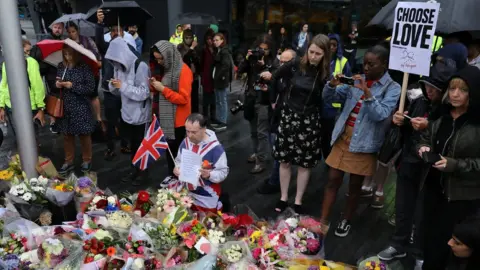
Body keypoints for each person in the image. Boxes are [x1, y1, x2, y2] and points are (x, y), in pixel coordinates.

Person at [377, 59, 458, 261]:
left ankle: (420, 252)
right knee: (403, 206)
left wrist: (428, 126)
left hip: (432, 169)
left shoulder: (451, 109)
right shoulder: (417, 98)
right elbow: (404, 125)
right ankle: (398, 243)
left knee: (424, 212)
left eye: (435, 88)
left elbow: (451, 135)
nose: (430, 91)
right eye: (428, 86)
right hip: (409, 160)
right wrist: (398, 120)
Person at [320, 45, 401, 237]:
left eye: (371, 64)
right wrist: (332, 85)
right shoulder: (357, 80)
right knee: (332, 180)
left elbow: (380, 115)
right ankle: (322, 220)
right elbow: (329, 99)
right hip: (343, 136)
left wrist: (367, 93)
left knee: (355, 186)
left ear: (384, 64)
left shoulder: (393, 88)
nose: (366, 68)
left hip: (365, 143)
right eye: (364, 63)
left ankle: (346, 219)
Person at [417, 66, 480, 270]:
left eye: (462, 90)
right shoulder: (442, 115)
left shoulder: (477, 124)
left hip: (461, 199)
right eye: (452, 89)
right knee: (430, 241)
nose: (455, 94)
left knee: (451, 248)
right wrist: (423, 147)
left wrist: (453, 164)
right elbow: (426, 137)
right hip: (434, 190)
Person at [260, 34, 331, 214]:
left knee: (304, 164)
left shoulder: (325, 74)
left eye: (318, 53)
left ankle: (298, 201)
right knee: (284, 160)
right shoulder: (295, 64)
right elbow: (275, 77)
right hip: (289, 116)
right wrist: (275, 100)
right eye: (311, 51)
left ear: (325, 55)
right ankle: (284, 197)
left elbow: (327, 99)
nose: (313, 56)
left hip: (309, 120)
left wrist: (331, 87)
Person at [105, 38, 151, 185]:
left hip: (140, 115)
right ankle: (134, 169)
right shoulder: (118, 67)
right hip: (126, 113)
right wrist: (113, 86)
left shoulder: (140, 66)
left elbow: (144, 93)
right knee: (132, 145)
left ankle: (142, 172)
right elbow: (119, 92)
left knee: (141, 145)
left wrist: (123, 85)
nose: (114, 63)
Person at [95, 8, 140, 160]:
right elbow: (99, 41)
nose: (115, 33)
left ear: (123, 33)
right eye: (113, 30)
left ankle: (125, 144)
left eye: (118, 30)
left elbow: (137, 62)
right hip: (109, 91)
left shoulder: (130, 47)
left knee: (125, 119)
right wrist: (99, 24)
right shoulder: (107, 47)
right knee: (111, 120)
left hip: (125, 90)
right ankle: (110, 147)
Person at [150, 41, 193, 177]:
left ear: (168, 55)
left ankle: (180, 186)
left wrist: (162, 89)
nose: (159, 62)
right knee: (171, 156)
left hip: (179, 122)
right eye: (156, 59)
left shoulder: (184, 70)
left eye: (160, 58)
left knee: (178, 157)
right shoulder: (168, 68)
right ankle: (174, 183)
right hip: (169, 120)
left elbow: (183, 99)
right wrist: (154, 85)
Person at [257, 49, 295, 194]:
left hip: (285, 120)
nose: (283, 65)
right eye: (281, 61)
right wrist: (268, 88)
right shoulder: (279, 76)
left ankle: (275, 181)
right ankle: (276, 178)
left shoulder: (294, 79)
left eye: (287, 62)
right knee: (275, 149)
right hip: (275, 116)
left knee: (279, 153)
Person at [173, 113, 229, 212]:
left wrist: (209, 175)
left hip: (206, 194)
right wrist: (177, 168)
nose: (189, 136)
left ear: (203, 129)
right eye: (187, 131)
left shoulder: (216, 149)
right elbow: (178, 160)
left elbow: (223, 172)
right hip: (186, 191)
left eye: (194, 132)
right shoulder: (185, 142)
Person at [239, 34, 278, 174]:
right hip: (251, 98)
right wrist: (247, 58)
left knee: (262, 132)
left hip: (264, 100)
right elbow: (240, 70)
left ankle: (261, 160)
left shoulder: (273, 62)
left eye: (265, 49)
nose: (262, 52)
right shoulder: (253, 58)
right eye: (260, 49)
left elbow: (273, 81)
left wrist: (264, 68)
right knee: (253, 131)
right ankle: (256, 153)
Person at [55, 45, 96, 175]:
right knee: (67, 136)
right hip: (66, 106)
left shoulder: (84, 67)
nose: (68, 57)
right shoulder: (61, 66)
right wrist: (58, 84)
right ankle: (69, 161)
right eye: (65, 54)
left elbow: (90, 88)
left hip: (81, 105)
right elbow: (57, 81)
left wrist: (72, 86)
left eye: (70, 54)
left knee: (84, 135)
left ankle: (87, 159)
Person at [0, 39, 46, 139]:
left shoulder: (30, 62)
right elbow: (4, 85)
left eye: (29, 51)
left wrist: (40, 108)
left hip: (22, 106)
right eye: (27, 51)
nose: (29, 53)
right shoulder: (6, 64)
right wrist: (1, 106)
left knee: (25, 138)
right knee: (29, 139)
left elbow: (37, 86)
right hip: (16, 106)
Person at [321, 33, 352, 161]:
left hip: (334, 106)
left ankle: (330, 160)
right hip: (319, 103)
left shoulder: (343, 61)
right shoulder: (320, 59)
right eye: (330, 45)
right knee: (321, 135)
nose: (332, 47)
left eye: (334, 45)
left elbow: (349, 82)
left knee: (331, 135)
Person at [66, 22, 103, 126]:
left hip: (92, 71)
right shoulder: (67, 43)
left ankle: (98, 118)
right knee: (81, 96)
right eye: (69, 32)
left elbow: (96, 53)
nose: (71, 34)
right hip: (78, 73)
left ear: (77, 30)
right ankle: (85, 117)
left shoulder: (87, 40)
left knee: (94, 95)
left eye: (73, 31)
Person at [30, 21, 64, 133]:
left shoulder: (63, 41)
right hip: (50, 73)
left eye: (60, 27)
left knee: (60, 96)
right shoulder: (46, 41)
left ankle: (58, 119)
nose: (57, 29)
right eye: (55, 27)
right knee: (53, 96)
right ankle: (53, 122)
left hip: (59, 71)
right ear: (52, 28)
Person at [211, 33, 232, 131]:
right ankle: (220, 120)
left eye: (217, 40)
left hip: (221, 79)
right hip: (219, 79)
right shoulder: (220, 50)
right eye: (214, 40)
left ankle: (222, 121)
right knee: (219, 100)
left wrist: (218, 76)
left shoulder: (224, 51)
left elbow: (226, 65)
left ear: (222, 40)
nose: (215, 42)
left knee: (221, 100)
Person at [177, 29, 200, 114]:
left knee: (195, 99)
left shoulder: (196, 47)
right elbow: (183, 59)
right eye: (186, 38)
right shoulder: (180, 47)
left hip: (194, 76)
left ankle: (195, 116)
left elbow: (199, 61)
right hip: (184, 76)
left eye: (190, 38)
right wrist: (191, 49)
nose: (188, 40)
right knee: (186, 97)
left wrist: (194, 52)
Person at [199, 29, 216, 123]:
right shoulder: (204, 50)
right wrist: (202, 74)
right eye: (208, 39)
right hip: (206, 76)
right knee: (206, 98)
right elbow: (201, 63)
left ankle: (213, 116)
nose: (209, 41)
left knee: (213, 98)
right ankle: (205, 116)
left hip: (214, 76)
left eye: (211, 39)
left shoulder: (216, 49)